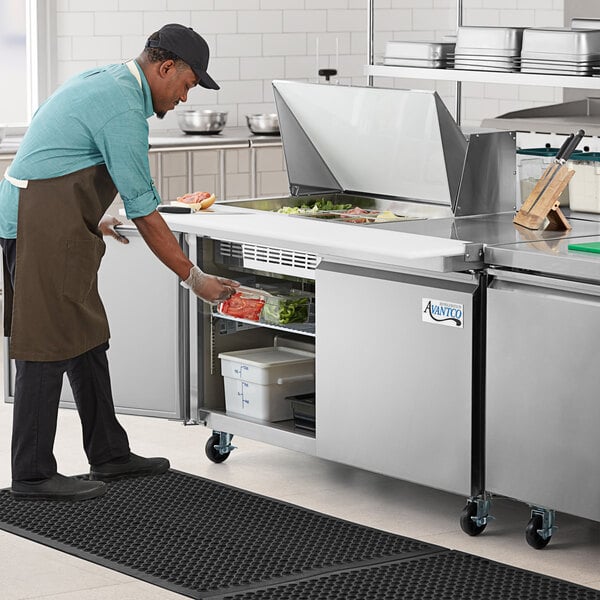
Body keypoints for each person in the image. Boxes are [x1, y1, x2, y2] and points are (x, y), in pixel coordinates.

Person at [0, 24, 239, 501]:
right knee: (44, 347)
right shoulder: (125, 108)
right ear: (165, 67)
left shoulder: (109, 79)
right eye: (188, 85)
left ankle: (109, 453)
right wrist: (195, 279)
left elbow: (61, 151)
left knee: (88, 339)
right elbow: (145, 210)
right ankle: (31, 474)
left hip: (58, 218)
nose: (185, 98)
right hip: (38, 224)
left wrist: (92, 214)